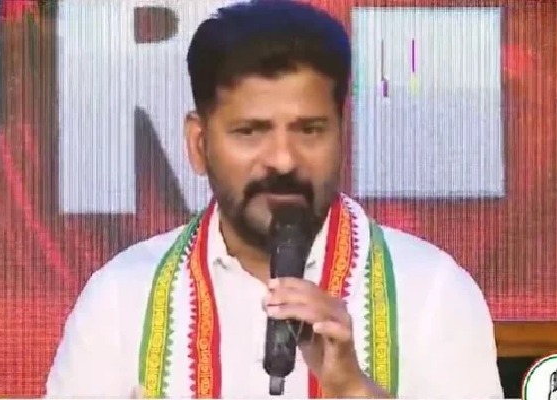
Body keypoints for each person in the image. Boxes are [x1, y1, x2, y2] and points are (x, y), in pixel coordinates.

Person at [46, 1, 504, 398]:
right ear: (199, 144)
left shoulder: (430, 290)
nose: (283, 160)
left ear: (342, 136)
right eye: (250, 132)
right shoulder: (122, 295)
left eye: (309, 130)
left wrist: (353, 390)